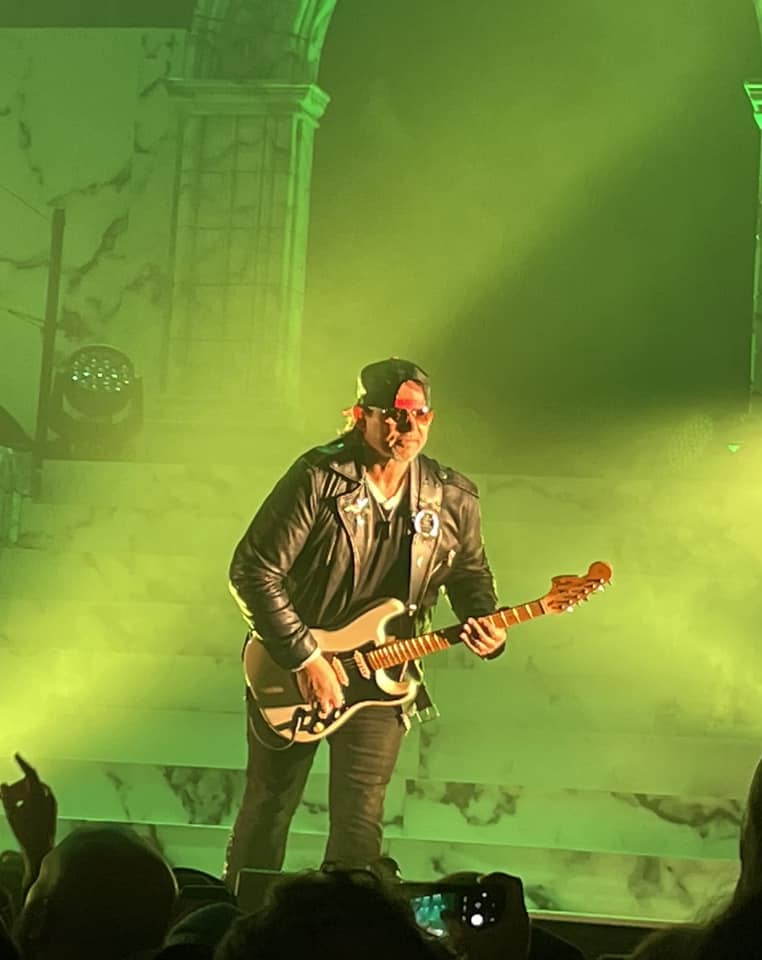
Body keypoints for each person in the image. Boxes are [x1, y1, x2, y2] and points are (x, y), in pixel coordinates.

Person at [223, 357, 507, 887]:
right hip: (296, 670)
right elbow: (253, 570)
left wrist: (485, 623)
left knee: (360, 824)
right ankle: (242, 918)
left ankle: (347, 924)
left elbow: (470, 574)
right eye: (395, 415)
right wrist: (306, 658)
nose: (408, 427)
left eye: (419, 415)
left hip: (385, 677)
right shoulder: (318, 477)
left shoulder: (451, 496)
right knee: (269, 806)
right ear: (360, 416)